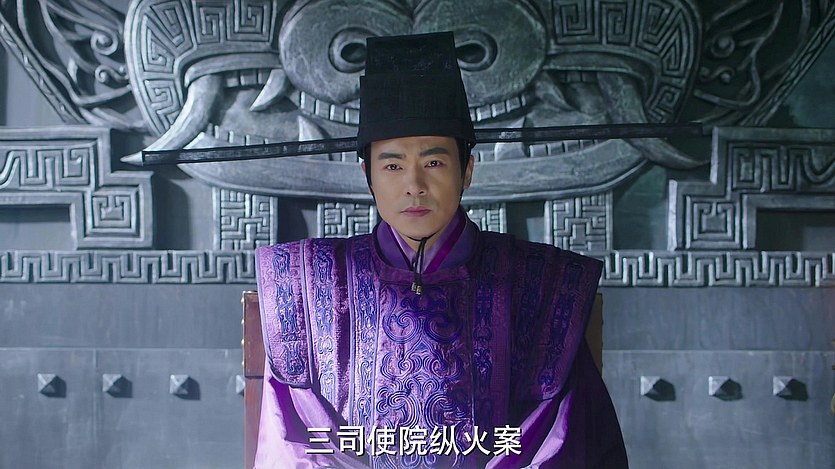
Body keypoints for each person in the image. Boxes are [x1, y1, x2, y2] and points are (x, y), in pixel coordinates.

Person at [254, 32, 628, 468]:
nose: (414, 185)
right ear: (367, 174)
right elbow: (295, 443)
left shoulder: (540, 283)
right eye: (392, 165)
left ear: (467, 169)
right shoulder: (307, 280)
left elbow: (557, 441)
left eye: (433, 162)